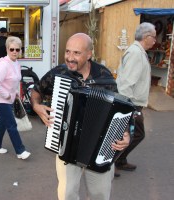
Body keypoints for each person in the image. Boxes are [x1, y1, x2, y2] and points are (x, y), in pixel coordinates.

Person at [31, 33, 131, 200]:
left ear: (89, 54)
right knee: (67, 193)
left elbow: (119, 110)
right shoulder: (58, 73)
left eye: (76, 53)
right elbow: (36, 91)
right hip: (66, 142)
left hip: (100, 146)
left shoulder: (104, 76)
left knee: (100, 193)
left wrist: (126, 133)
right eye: (67, 52)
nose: (70, 58)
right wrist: (36, 106)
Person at [115, 22, 156, 173]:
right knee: (136, 134)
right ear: (146, 37)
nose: (155, 40)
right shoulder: (135, 53)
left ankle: (119, 160)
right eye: (153, 37)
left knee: (130, 134)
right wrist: (129, 108)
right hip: (131, 104)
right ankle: (114, 161)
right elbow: (126, 84)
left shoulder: (137, 52)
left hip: (133, 103)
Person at [0, 36, 31, 160]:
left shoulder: (16, 63)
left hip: (10, 98)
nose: (14, 52)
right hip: (1, 99)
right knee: (11, 124)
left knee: (2, 123)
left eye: (17, 50)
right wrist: (7, 95)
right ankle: (20, 151)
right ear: (7, 49)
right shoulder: (3, 65)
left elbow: (15, 81)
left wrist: (16, 93)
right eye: (12, 49)